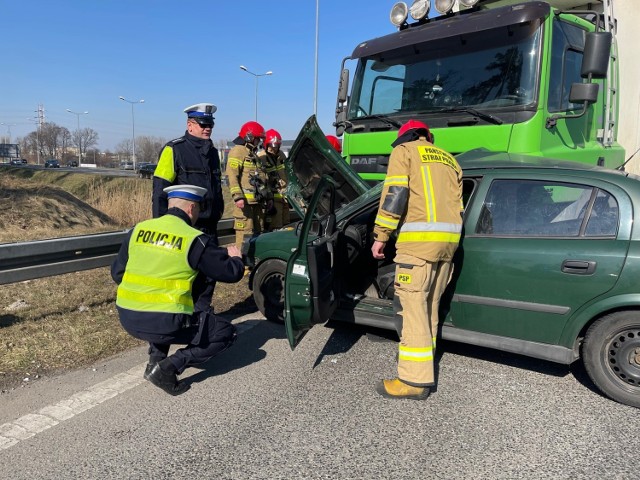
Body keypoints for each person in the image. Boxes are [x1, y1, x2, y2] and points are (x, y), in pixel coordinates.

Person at [112, 185, 245, 396]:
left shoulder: (138, 230)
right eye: (199, 209)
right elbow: (231, 274)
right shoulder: (194, 239)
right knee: (226, 333)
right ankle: (167, 368)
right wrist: (236, 258)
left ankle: (154, 361)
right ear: (192, 208)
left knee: (162, 310)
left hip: (128, 317)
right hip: (163, 322)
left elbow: (117, 274)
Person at [370, 120, 463, 400]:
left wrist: (381, 235)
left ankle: (413, 380)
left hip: (417, 246)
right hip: (447, 247)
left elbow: (395, 196)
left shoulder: (405, 152)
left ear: (406, 137)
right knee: (429, 309)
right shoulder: (450, 160)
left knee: (412, 312)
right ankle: (425, 364)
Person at [153, 103, 224, 313]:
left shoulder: (213, 152)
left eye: (210, 124)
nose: (207, 128)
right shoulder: (174, 149)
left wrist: (218, 212)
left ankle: (201, 319)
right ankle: (179, 319)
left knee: (209, 277)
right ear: (190, 124)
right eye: (203, 124)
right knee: (184, 277)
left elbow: (217, 187)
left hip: (209, 226)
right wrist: (162, 227)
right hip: (184, 228)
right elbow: (159, 192)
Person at [226, 121, 271, 249]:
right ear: (249, 137)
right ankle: (242, 267)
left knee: (258, 235)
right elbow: (232, 175)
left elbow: (261, 178)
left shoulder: (253, 154)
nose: (259, 142)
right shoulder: (238, 151)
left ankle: (252, 266)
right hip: (244, 205)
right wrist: (238, 196)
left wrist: (267, 197)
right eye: (258, 139)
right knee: (244, 238)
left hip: (257, 203)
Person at [259, 129, 289, 230]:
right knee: (275, 227)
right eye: (272, 145)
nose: (274, 148)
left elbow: (286, 172)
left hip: (284, 197)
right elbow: (261, 179)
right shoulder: (261, 157)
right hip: (272, 199)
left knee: (286, 225)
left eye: (277, 145)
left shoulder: (281, 155)